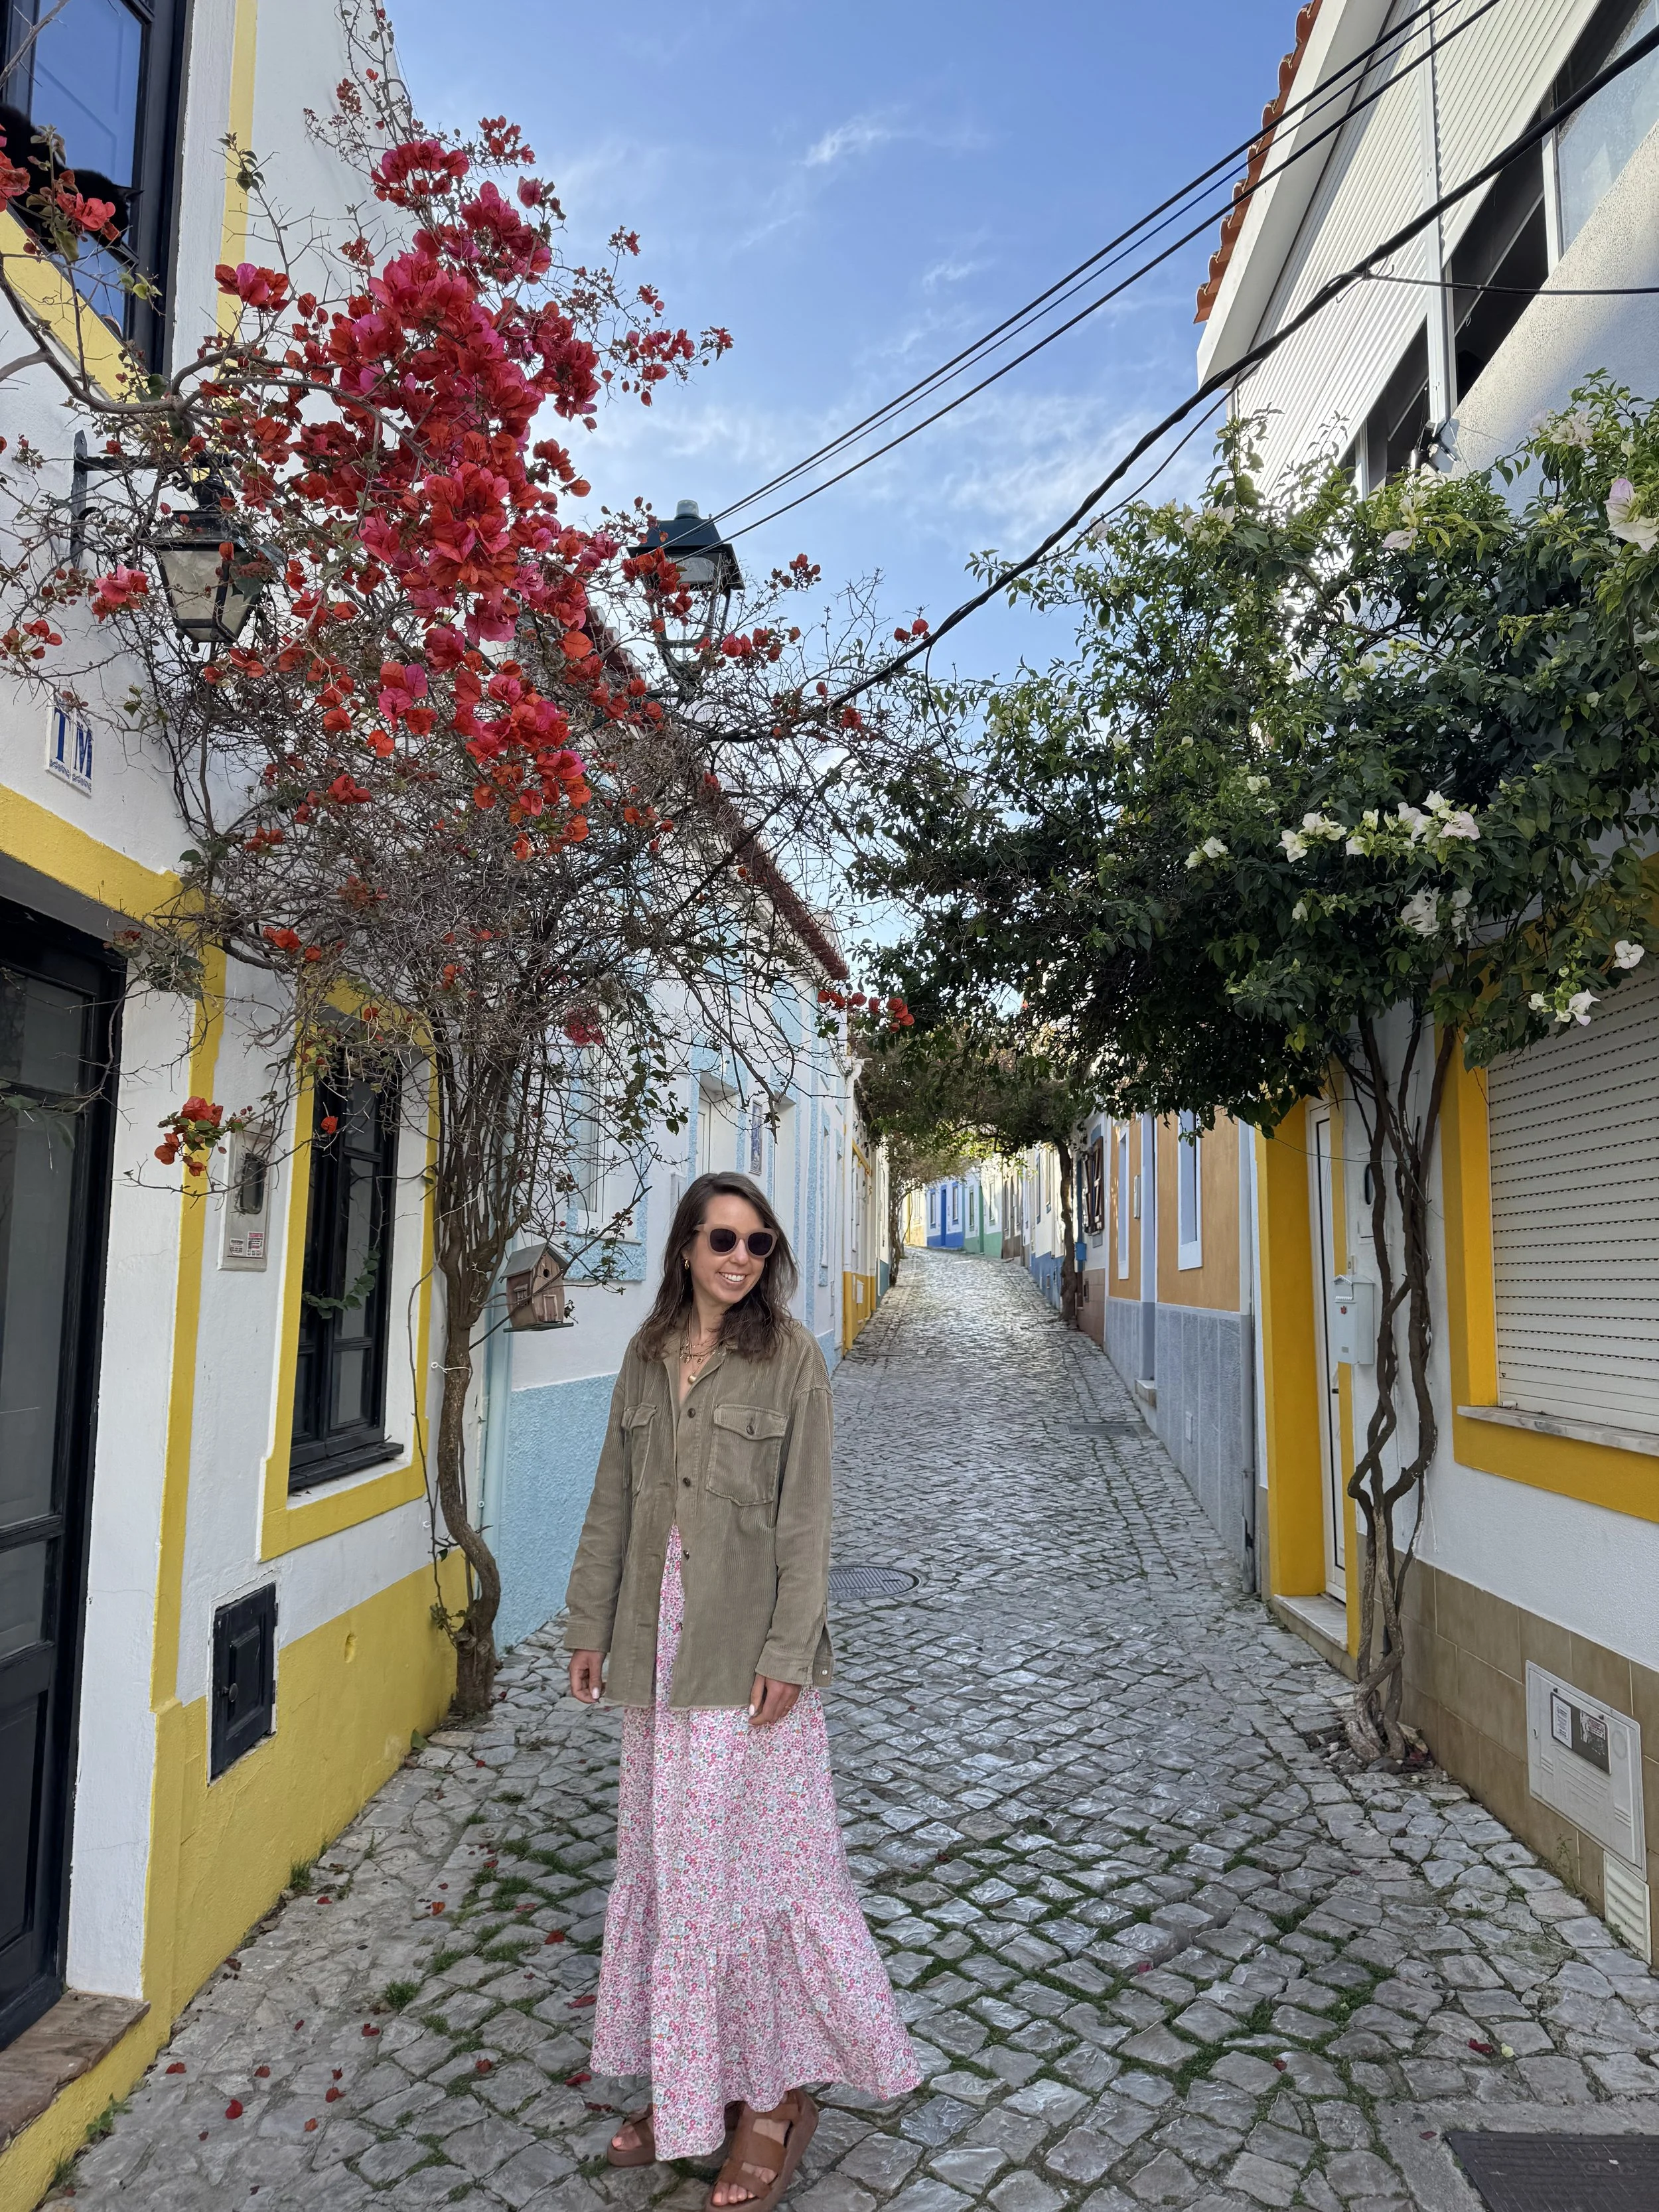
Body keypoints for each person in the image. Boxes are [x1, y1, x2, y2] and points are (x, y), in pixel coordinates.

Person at [564, 1170, 918, 2210]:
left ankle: (773, 2101)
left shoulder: (792, 1360)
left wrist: (788, 1653)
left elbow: (807, 1525)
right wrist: (588, 1625)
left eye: (759, 1244)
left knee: (753, 1880)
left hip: (741, 1660)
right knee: (672, 1868)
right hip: (652, 1656)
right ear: (686, 1247)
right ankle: (692, 2087)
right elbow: (610, 1507)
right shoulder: (644, 1360)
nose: (740, 1258)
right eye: (722, 1238)